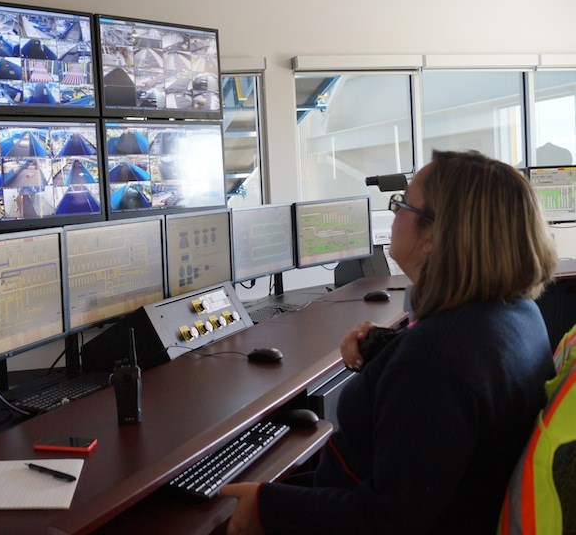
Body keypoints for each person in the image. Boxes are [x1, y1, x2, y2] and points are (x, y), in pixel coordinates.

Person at [220, 150, 558, 535]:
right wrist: (387, 349)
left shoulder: (435, 360)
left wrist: (267, 507)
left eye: (401, 204)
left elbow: (387, 520)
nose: (394, 214)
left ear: (432, 234)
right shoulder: (514, 313)